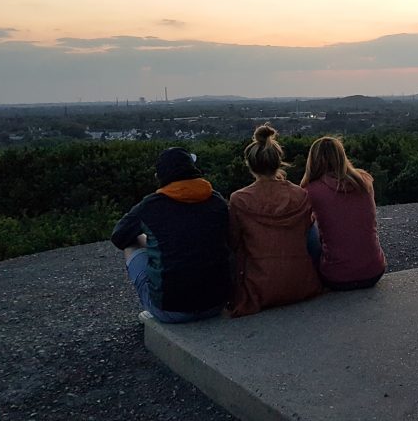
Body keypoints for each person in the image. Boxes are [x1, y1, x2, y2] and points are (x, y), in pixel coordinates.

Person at [112, 147, 230, 323]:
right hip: (216, 305)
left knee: (132, 244)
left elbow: (119, 236)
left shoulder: (150, 206)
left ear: (158, 177)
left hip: (170, 311)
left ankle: (153, 308)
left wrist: (148, 242)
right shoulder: (216, 200)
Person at [227, 124, 322, 317]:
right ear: (278, 162)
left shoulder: (239, 199)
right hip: (301, 282)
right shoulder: (299, 195)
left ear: (250, 165)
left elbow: (233, 242)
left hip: (261, 287)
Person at [301, 136, 386, 291]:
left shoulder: (311, 190)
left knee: (308, 227)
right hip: (374, 271)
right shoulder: (364, 181)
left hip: (336, 278)